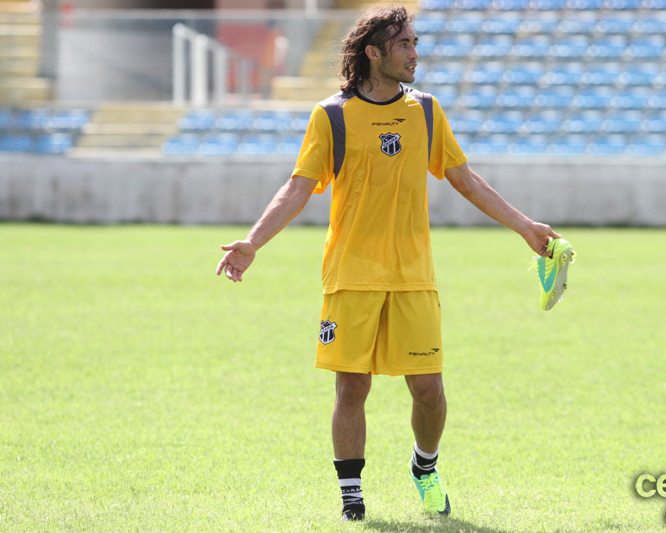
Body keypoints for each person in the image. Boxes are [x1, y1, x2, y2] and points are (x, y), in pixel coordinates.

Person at [216, 4, 561, 522]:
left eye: (414, 43)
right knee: (351, 385)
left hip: (413, 276)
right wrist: (253, 242)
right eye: (404, 44)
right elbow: (298, 186)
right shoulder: (330, 116)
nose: (415, 54)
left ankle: (425, 466)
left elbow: (465, 179)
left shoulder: (425, 110)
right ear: (373, 52)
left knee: (429, 389)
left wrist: (526, 227)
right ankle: (351, 493)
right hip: (351, 275)